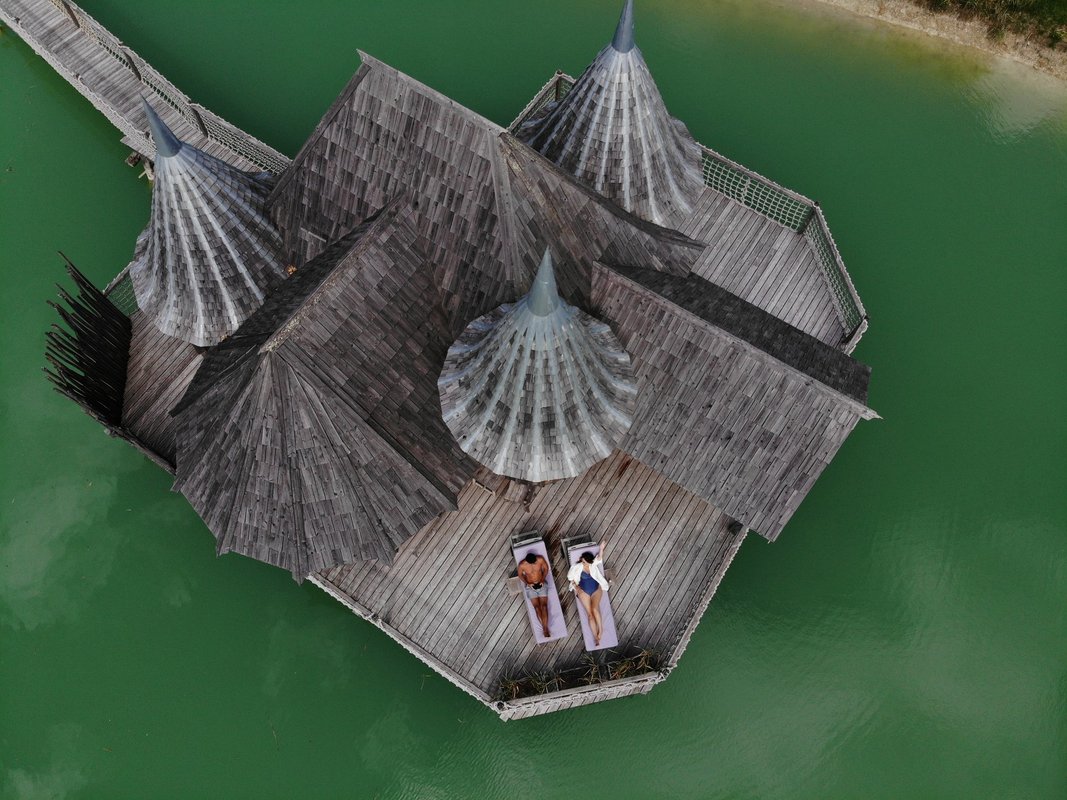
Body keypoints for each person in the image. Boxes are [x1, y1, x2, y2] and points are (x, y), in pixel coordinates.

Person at [567, 541, 609, 646]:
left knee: (595, 609)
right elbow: (570, 578)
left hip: (596, 589)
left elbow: (599, 558)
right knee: (590, 615)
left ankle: (601, 629)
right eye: (583, 561)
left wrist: (601, 548)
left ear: (589, 561)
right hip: (584, 592)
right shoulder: (576, 567)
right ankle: (596, 638)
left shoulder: (592, 564)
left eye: (585, 562)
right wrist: (577, 588)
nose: (583, 563)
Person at [517, 552, 552, 638]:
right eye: (532, 563)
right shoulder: (522, 565)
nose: (534, 564)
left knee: (544, 606)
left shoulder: (540, 559)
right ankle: (544, 628)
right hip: (530, 586)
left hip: (541, 583)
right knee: (536, 608)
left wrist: (543, 580)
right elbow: (520, 575)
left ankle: (545, 628)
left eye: (535, 562)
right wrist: (528, 583)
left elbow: (546, 569)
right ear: (527, 561)